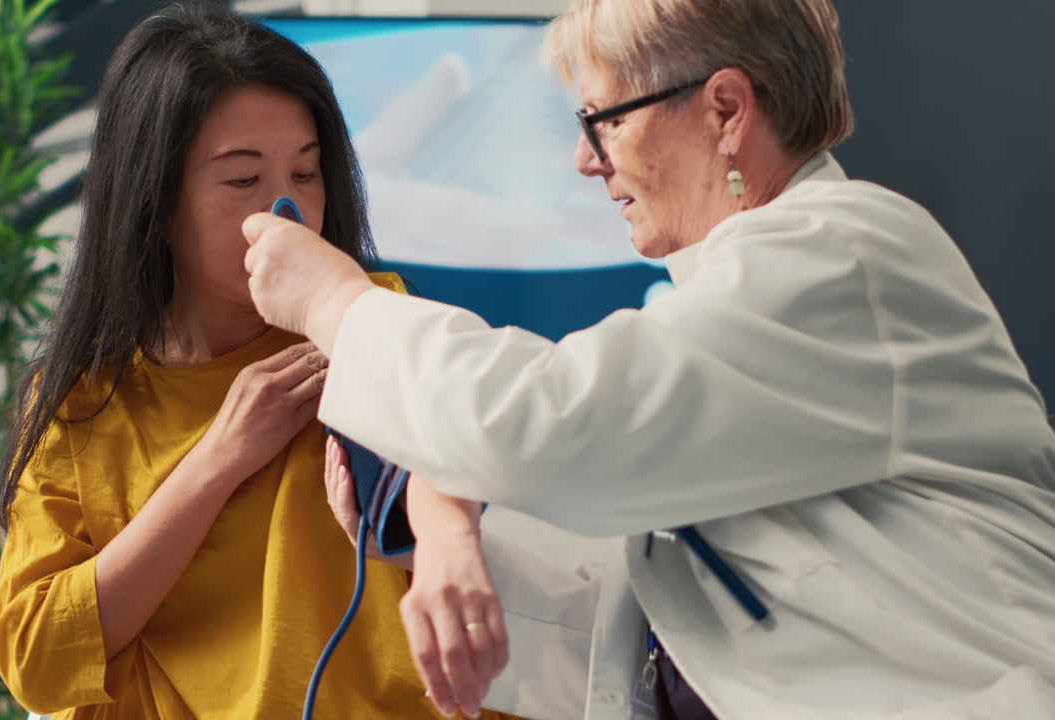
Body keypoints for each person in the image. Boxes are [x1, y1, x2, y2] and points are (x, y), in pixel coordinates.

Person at [240, 0, 1055, 718]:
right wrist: (449, 548)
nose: (586, 160)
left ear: (726, 110)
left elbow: (545, 424)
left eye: (605, 120)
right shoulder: (739, 303)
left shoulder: (844, 253)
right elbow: (664, 633)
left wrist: (332, 304)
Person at [0, 5, 521, 719]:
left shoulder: (367, 319)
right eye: (242, 181)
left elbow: (474, 487)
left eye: (306, 173)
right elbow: (37, 662)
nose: (286, 211)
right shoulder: (85, 399)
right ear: (155, 202)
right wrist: (219, 458)